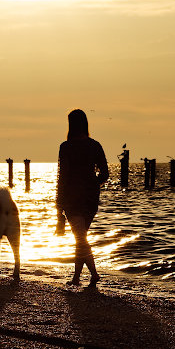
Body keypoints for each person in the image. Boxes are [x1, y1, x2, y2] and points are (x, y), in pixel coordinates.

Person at [56, 109, 110, 287]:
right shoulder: (95, 145)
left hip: (72, 198)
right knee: (81, 237)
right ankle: (76, 278)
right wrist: (93, 183)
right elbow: (105, 173)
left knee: (80, 238)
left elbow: (62, 177)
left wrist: (59, 207)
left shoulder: (66, 147)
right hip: (90, 198)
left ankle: (93, 274)